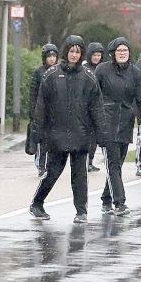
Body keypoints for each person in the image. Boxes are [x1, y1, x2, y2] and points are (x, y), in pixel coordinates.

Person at [29, 35, 105, 224]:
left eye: (78, 52)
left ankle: (81, 211)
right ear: (66, 52)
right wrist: (36, 133)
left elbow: (97, 107)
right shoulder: (51, 75)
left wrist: (102, 134)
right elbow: (41, 106)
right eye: (71, 51)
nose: (74, 54)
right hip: (56, 134)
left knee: (79, 176)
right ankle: (37, 203)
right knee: (52, 172)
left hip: (81, 134)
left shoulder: (88, 77)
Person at [94, 37, 141, 216]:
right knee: (112, 163)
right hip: (107, 120)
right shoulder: (102, 69)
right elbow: (93, 94)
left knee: (117, 163)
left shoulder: (135, 72)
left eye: (125, 51)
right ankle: (120, 202)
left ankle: (106, 198)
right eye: (119, 51)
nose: (122, 53)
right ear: (113, 53)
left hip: (126, 120)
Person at [28, 43, 58, 178]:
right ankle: (41, 165)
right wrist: (33, 111)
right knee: (41, 140)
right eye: (49, 56)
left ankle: (51, 165)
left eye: (54, 56)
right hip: (41, 112)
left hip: (56, 112)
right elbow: (33, 93)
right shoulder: (39, 72)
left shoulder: (60, 71)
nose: (52, 59)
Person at [84, 41, 105, 172]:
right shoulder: (85, 69)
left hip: (98, 107)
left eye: (99, 55)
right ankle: (85, 161)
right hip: (85, 107)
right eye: (94, 55)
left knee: (95, 137)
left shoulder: (102, 69)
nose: (96, 58)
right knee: (86, 136)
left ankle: (90, 161)